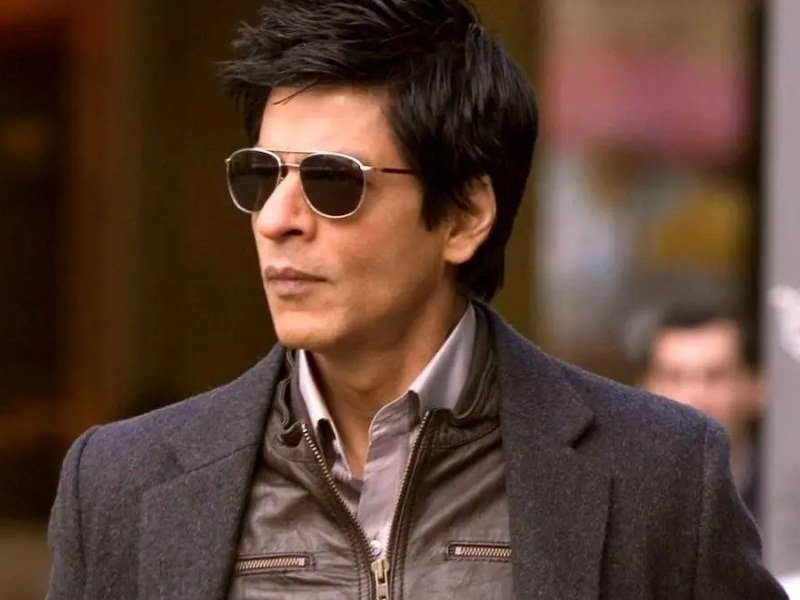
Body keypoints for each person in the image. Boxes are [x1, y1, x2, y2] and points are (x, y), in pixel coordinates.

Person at [47, 1, 787, 598]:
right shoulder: (121, 483)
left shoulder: (659, 476)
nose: (276, 218)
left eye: (332, 181)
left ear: (465, 215)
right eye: (261, 175)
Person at [628, 302, 765, 522]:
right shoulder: (621, 495)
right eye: (674, 377)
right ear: (642, 390)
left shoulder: (785, 492)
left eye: (715, 376)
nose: (695, 396)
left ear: (755, 388)